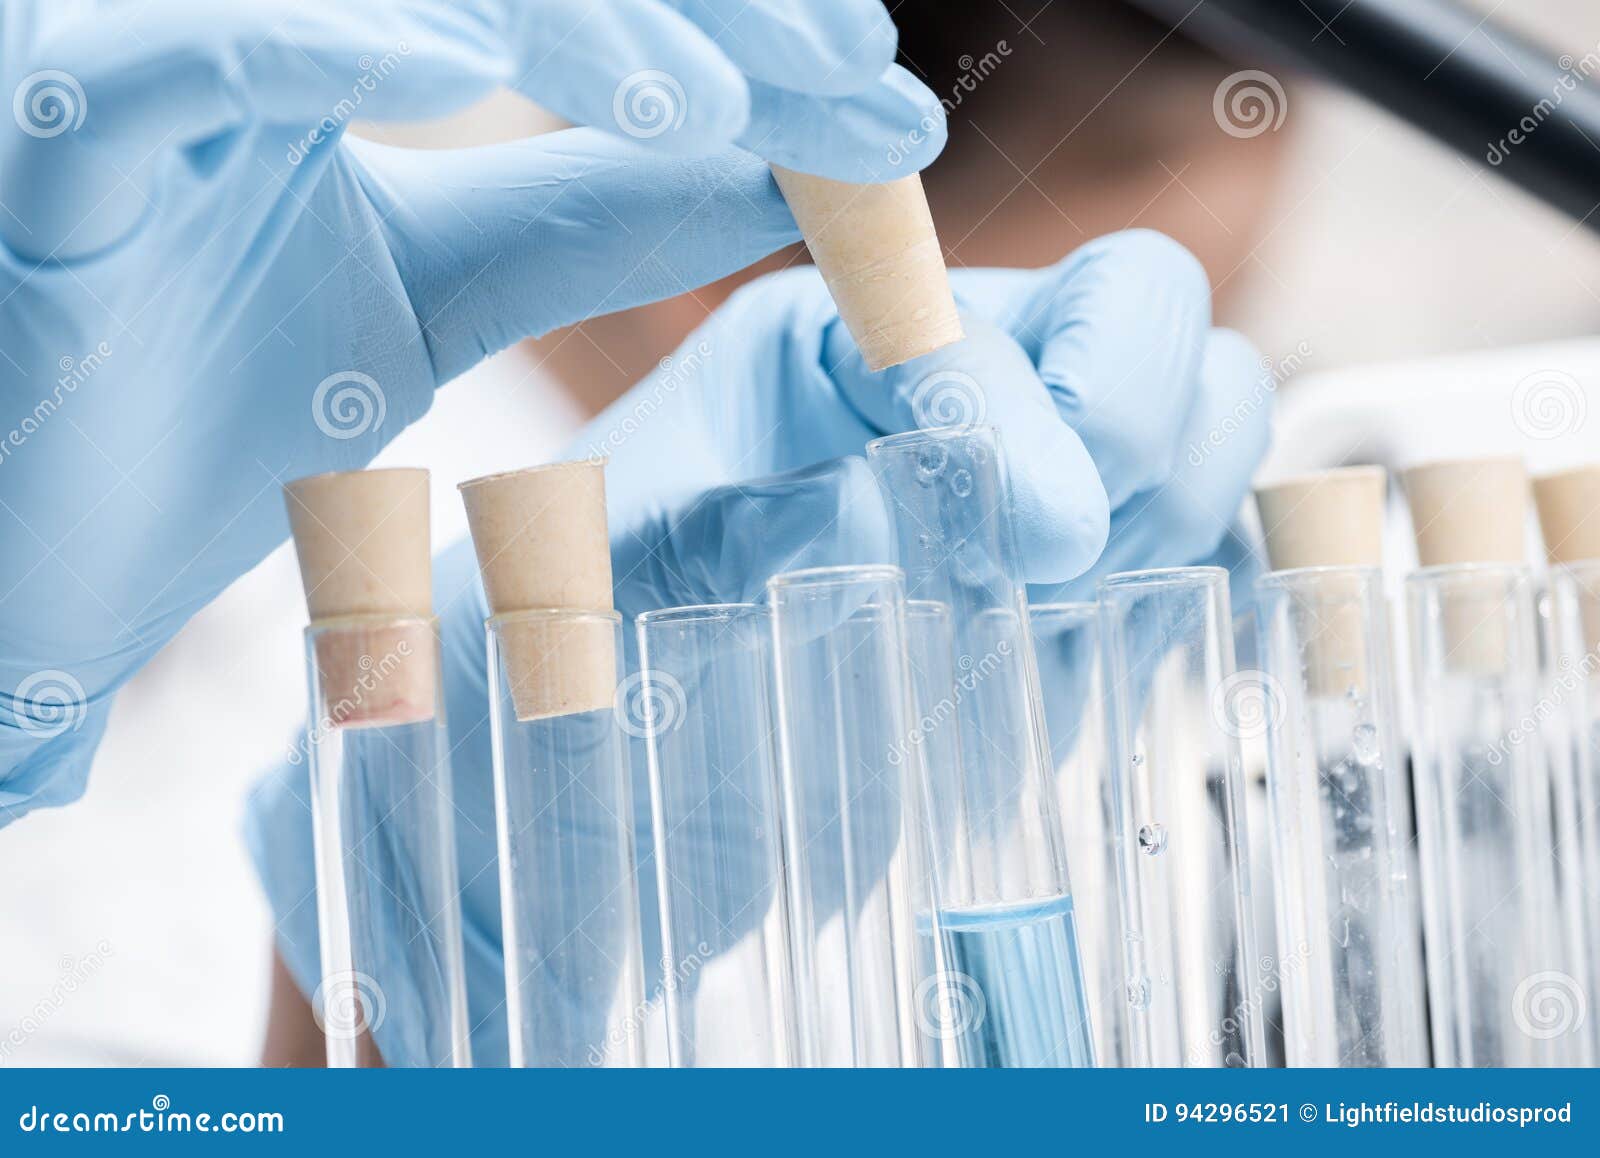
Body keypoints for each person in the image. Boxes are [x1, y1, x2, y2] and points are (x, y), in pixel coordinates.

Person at [0, 1, 1278, 1063]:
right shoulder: (194, 621)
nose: (1144, 413)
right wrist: (399, 981)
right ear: (758, 270)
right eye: (1227, 293)